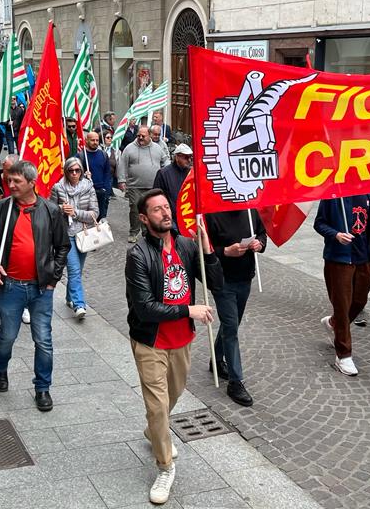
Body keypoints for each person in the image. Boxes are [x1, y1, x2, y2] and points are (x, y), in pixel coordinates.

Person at [125, 188, 222, 504]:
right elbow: (145, 308)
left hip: (182, 340)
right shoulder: (138, 255)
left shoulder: (186, 246)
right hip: (151, 341)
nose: (165, 213)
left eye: (167, 207)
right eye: (157, 210)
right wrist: (188, 310)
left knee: (173, 395)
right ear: (144, 218)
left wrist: (207, 250)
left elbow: (216, 283)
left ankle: (154, 430)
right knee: (157, 406)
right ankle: (165, 467)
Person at [0, 160, 70, 412]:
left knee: (43, 339)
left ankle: (42, 387)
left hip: (41, 288)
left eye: (16, 181)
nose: (10, 185)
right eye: (9, 180)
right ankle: (0, 370)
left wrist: (53, 278)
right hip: (10, 286)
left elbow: (62, 246)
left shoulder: (50, 210)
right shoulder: (1, 209)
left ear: (32, 183)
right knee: (7, 336)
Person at [204, 208, 266, 407]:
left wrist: (259, 244)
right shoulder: (212, 213)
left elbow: (261, 233)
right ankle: (235, 381)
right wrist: (225, 251)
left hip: (245, 277)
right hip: (222, 280)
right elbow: (203, 248)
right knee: (231, 327)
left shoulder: (250, 210)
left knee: (232, 322)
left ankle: (216, 359)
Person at [315, 195, 370, 376]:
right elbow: (319, 223)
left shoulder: (368, 193)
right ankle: (343, 355)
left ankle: (333, 322)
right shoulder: (334, 195)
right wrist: (336, 235)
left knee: (359, 301)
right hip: (340, 259)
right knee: (342, 306)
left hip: (363, 258)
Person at [51, 157, 99, 320]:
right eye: (71, 170)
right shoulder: (58, 187)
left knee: (78, 270)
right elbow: (50, 210)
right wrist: (61, 209)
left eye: (77, 170)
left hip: (83, 234)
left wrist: (75, 212)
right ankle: (79, 305)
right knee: (74, 270)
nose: (74, 173)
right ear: (66, 171)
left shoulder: (88, 187)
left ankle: (69, 297)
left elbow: (95, 213)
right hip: (66, 235)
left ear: (81, 171)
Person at [118, 126, 168, 243]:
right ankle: (133, 232)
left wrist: (167, 173)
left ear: (149, 135)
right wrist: (121, 180)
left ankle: (147, 232)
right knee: (135, 209)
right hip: (135, 186)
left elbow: (165, 161)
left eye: (143, 136)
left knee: (151, 210)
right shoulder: (129, 148)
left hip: (153, 186)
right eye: (138, 135)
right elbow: (122, 164)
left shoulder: (157, 148)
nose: (140, 138)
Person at [76, 131, 113, 220]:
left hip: (101, 193)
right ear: (86, 140)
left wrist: (106, 190)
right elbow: (74, 175)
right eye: (92, 140)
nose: (95, 142)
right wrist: (83, 176)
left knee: (101, 219)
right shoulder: (80, 156)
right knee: (88, 219)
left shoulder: (103, 155)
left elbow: (107, 173)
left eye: (97, 140)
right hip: (86, 193)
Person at [152, 143, 192, 221]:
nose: (189, 160)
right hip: (171, 216)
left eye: (190, 157)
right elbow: (157, 196)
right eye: (186, 157)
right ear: (177, 157)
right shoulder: (163, 173)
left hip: (188, 215)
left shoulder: (192, 173)